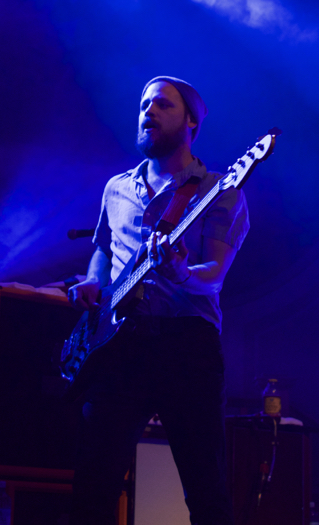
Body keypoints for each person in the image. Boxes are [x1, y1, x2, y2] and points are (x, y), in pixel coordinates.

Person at [68, 76, 250, 525]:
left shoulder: (219, 192)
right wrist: (94, 282)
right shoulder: (117, 189)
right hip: (119, 345)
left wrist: (182, 271)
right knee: (92, 485)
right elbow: (104, 250)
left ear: (191, 121)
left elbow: (214, 277)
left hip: (186, 346)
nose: (148, 112)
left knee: (205, 491)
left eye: (163, 105)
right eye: (144, 104)